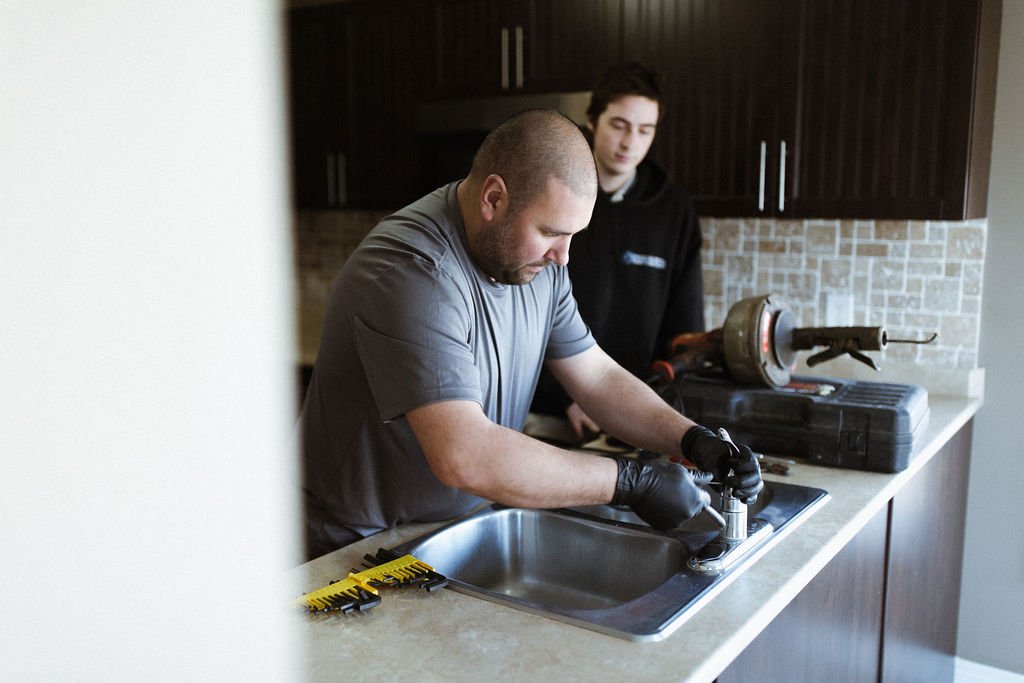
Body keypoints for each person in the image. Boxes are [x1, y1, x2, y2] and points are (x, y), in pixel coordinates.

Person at [299, 109, 760, 560]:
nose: (563, 256)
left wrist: (691, 439)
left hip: (446, 528)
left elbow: (596, 377)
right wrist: (628, 482)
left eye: (573, 235)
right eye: (551, 232)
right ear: (494, 198)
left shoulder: (536, 266)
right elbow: (465, 455)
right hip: (350, 546)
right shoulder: (413, 271)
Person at [530, 63, 705, 440]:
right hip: (546, 413)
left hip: (634, 418)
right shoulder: (550, 191)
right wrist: (566, 395)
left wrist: (659, 412)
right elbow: (516, 304)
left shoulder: (673, 211)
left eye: (645, 130)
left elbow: (685, 334)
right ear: (593, 120)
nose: (630, 143)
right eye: (620, 125)